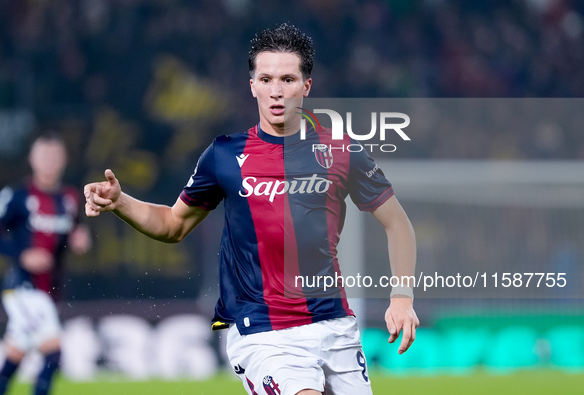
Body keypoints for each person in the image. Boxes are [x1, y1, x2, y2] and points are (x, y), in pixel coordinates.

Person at [84, 23, 419, 395]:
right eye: (266, 79)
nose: (276, 91)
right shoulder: (224, 155)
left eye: (288, 79)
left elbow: (398, 224)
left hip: (335, 325)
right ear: (253, 86)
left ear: (306, 86)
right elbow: (173, 225)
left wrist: (402, 296)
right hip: (264, 332)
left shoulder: (342, 151)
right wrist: (120, 202)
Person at [0, 133, 91, 395]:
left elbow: (73, 234)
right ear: (32, 159)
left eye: (54, 156)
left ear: (63, 160)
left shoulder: (69, 198)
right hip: (23, 289)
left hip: (49, 292)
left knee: (12, 362)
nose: (49, 162)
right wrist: (21, 254)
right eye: (43, 156)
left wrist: (78, 239)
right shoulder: (16, 196)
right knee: (53, 355)